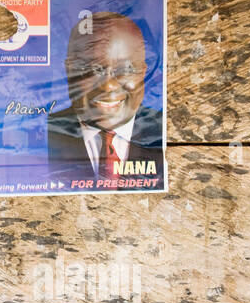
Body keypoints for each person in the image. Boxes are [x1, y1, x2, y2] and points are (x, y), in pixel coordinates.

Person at [47, 11, 163, 187]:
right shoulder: (40, 136)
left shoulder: (165, 131)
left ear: (144, 72)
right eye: (94, 70)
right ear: (70, 71)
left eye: (126, 69)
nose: (108, 86)